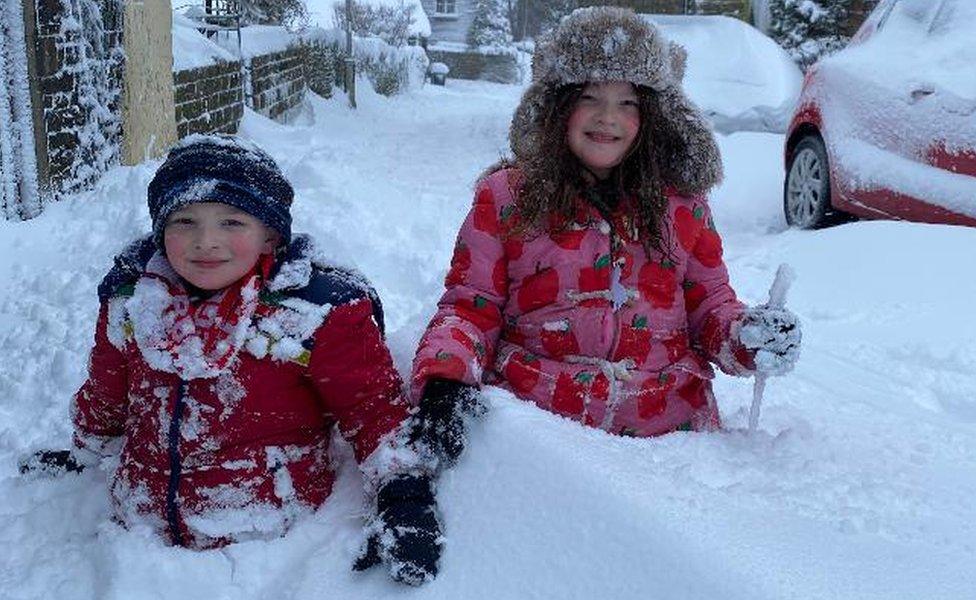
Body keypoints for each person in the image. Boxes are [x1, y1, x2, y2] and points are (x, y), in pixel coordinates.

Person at [20, 135, 441, 586]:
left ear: (270, 235)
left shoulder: (314, 314)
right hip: (137, 533)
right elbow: (108, 389)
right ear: (160, 230)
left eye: (231, 222)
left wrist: (404, 494)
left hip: (267, 546)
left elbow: (373, 409)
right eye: (184, 220)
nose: (206, 241)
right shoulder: (133, 300)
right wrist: (86, 448)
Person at [409, 7, 801, 453]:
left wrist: (745, 337)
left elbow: (710, 305)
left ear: (651, 115)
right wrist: (446, 377)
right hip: (541, 427)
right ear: (559, 106)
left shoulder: (684, 208)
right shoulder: (506, 199)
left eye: (627, 102)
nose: (607, 118)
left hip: (673, 435)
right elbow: (470, 308)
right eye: (590, 98)